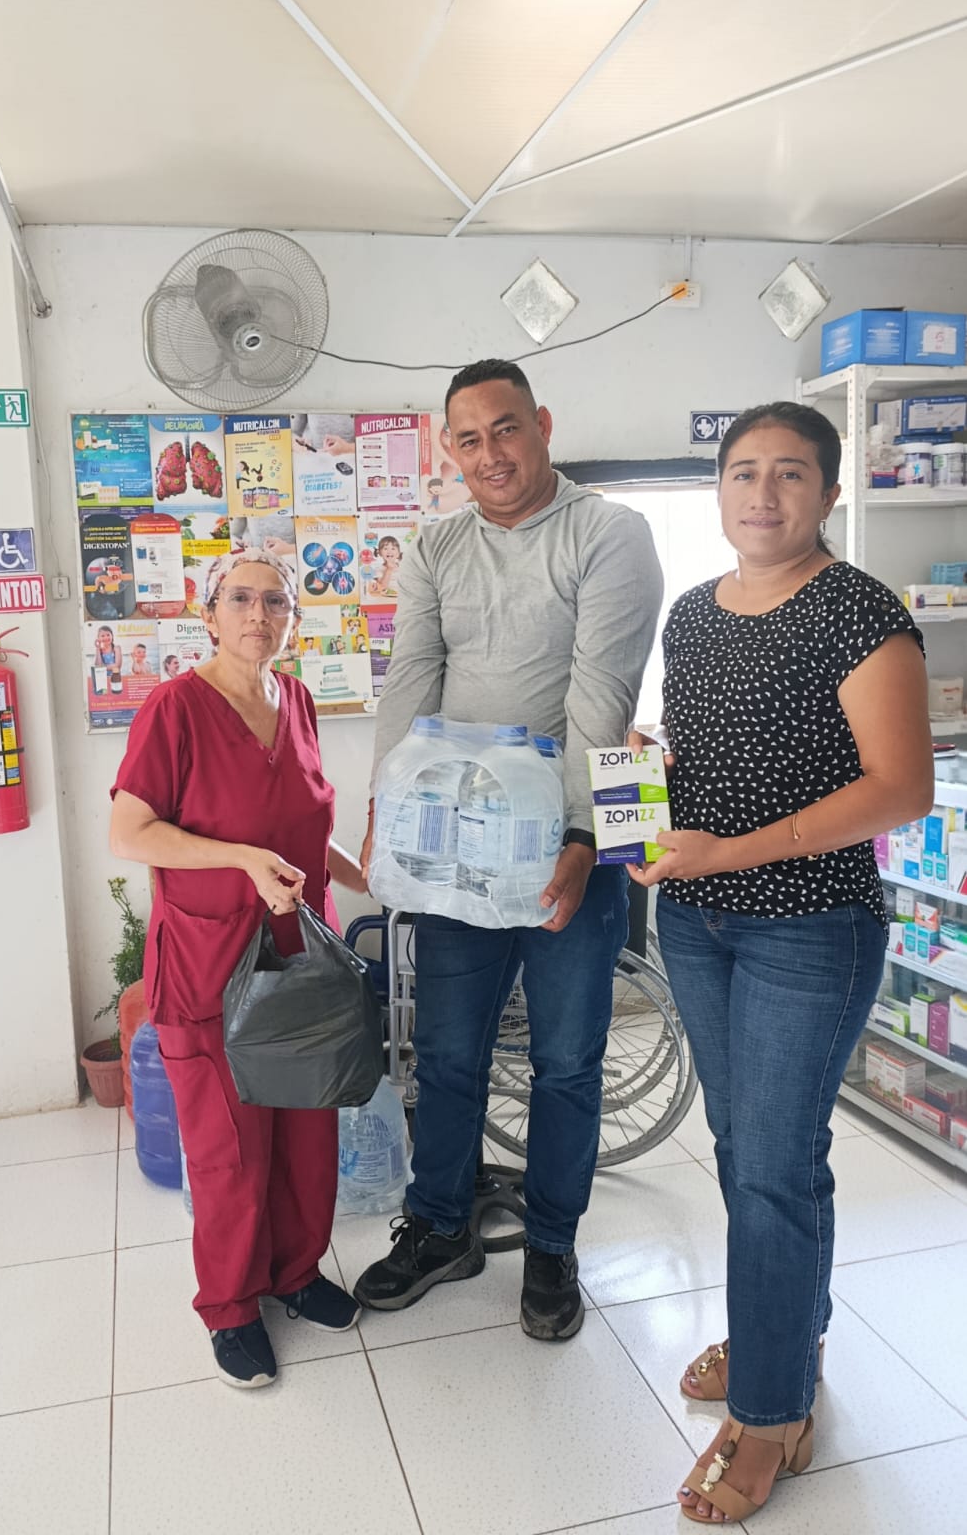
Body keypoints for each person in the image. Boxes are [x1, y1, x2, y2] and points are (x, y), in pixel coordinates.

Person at [625, 402, 932, 1523]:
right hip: (697, 922)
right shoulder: (692, 613)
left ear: (829, 493)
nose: (763, 493)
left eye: (791, 473)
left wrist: (731, 849)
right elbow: (712, 755)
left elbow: (899, 788)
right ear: (718, 489)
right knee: (755, 1151)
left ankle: (769, 1416)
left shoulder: (861, 611)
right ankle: (785, 1337)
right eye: (743, 471)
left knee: (769, 1164)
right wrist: (646, 780)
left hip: (808, 927)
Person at [353, 358, 663, 1339]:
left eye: (506, 428)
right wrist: (384, 809)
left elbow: (600, 695)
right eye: (469, 438)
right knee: (447, 1053)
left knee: (566, 1061)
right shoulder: (436, 544)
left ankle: (553, 1244)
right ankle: (440, 1227)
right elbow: (410, 678)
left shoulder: (608, 532)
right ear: (449, 449)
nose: (489, 453)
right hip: (458, 850)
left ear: (543, 425)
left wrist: (580, 834)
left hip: (572, 838)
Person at [109, 549, 369, 1391]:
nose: (260, 615)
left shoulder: (296, 700)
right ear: (209, 613)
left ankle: (295, 1272)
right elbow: (130, 833)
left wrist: (365, 873)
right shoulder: (175, 708)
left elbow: (301, 826)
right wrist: (242, 860)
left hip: (300, 962)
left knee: (306, 1132)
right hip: (210, 964)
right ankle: (229, 1306)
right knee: (229, 1148)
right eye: (242, 599)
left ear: (292, 617)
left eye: (276, 602)